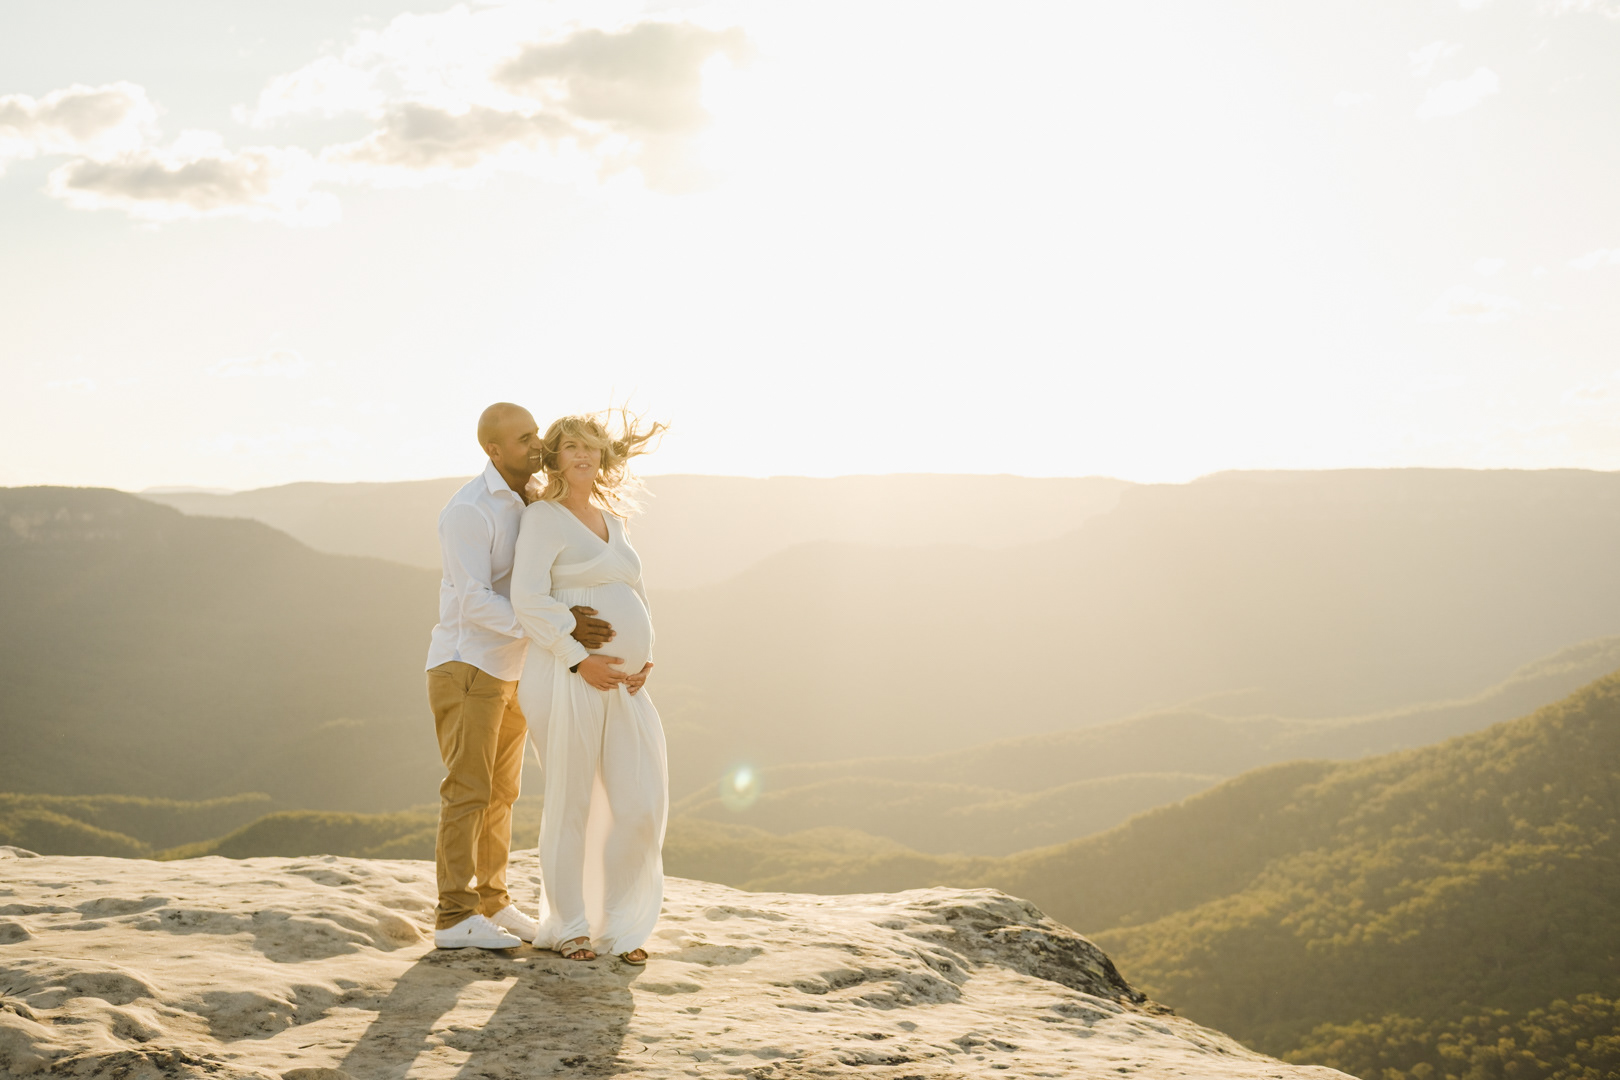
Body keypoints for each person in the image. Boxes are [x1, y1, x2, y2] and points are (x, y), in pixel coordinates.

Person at [424, 402, 615, 950]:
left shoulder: (530, 500)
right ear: (493, 449)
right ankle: (453, 916)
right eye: (525, 437)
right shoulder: (469, 510)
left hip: (510, 670)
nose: (538, 445)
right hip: (467, 665)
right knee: (468, 791)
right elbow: (474, 600)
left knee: (503, 792)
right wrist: (550, 628)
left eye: (536, 434)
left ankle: (493, 901)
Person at [511, 410, 667, 964]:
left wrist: (646, 659)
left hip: (625, 684)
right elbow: (527, 598)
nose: (583, 455)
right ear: (555, 455)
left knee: (637, 801)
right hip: (563, 676)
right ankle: (571, 924)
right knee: (572, 799)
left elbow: (639, 595)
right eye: (572, 446)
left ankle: (619, 925)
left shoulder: (614, 521)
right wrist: (580, 660)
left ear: (604, 458)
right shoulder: (544, 518)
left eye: (593, 448)